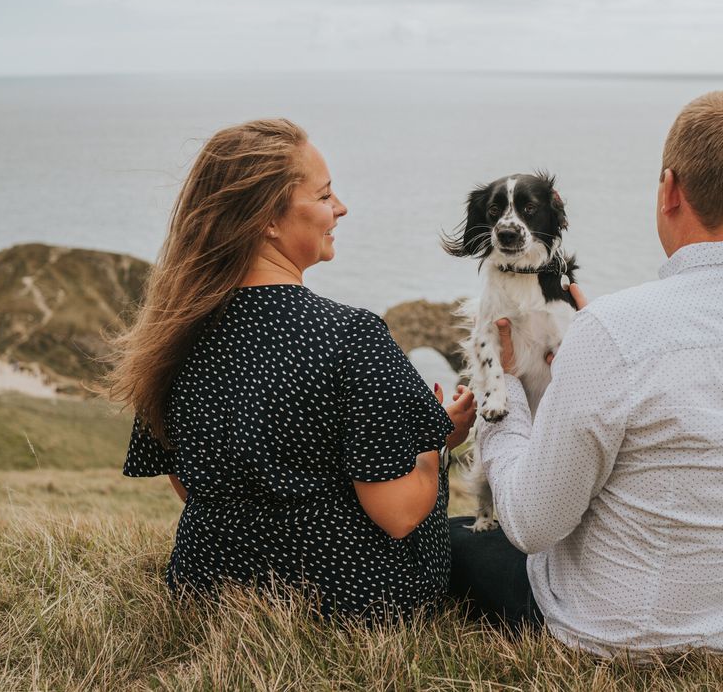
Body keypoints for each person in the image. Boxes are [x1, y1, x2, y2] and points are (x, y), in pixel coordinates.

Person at [108, 118, 476, 623]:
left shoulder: (169, 336)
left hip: (209, 588)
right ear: (268, 220)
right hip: (352, 603)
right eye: (325, 196)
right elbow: (398, 514)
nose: (340, 208)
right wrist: (436, 440)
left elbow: (191, 486)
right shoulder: (353, 336)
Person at [450, 91, 723, 656]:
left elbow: (530, 525)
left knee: (448, 541)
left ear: (670, 191)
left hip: (618, 632)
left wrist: (513, 393)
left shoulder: (611, 329)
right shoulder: (598, 329)